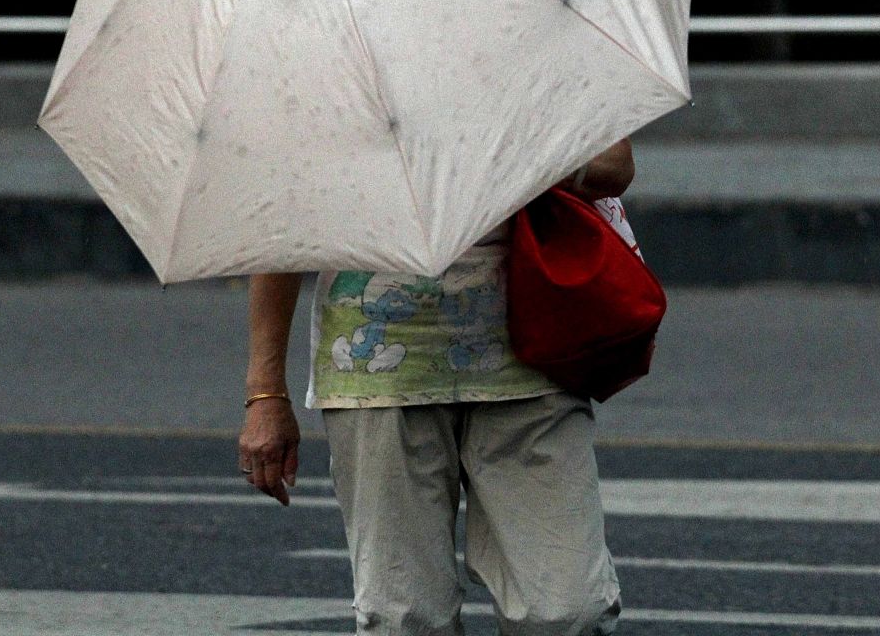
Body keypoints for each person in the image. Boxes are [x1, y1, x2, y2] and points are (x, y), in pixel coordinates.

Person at [239, 138, 635, 636]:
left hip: (533, 355)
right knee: (405, 618)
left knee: (569, 612)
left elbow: (614, 167)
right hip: (376, 373)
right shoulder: (330, 69)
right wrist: (265, 392)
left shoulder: (532, 59)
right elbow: (287, 227)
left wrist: (493, 136)